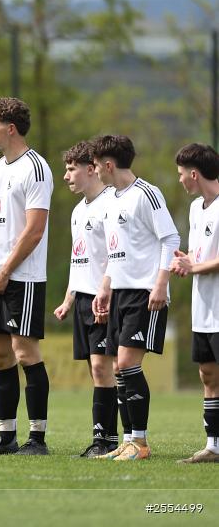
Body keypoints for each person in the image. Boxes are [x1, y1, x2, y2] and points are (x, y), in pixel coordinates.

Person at [0, 97, 53, 455]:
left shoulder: (36, 169)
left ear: (11, 128)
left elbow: (35, 230)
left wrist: (5, 271)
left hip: (24, 277)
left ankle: (37, 439)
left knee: (24, 351)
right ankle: (6, 437)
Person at [91, 134, 179, 461]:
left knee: (128, 363)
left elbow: (170, 238)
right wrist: (105, 287)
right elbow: (117, 251)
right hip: (119, 292)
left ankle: (140, 443)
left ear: (109, 165)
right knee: (117, 367)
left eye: (97, 166)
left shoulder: (147, 194)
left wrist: (160, 284)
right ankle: (127, 441)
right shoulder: (112, 199)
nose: (95, 171)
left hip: (145, 292)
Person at [52, 141, 118, 457]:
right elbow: (80, 259)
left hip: (104, 298)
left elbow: (117, 257)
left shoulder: (111, 204)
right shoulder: (79, 210)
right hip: (83, 300)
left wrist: (106, 292)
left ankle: (113, 439)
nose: (66, 176)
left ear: (90, 169)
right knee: (98, 370)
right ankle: (105, 438)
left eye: (71, 169)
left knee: (106, 367)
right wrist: (68, 299)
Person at [170, 143, 219, 463]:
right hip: (204, 308)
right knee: (208, 375)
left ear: (194, 173)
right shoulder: (195, 209)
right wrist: (185, 262)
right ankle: (213, 446)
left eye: (180, 175)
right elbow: (199, 255)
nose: (179, 181)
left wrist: (194, 267)